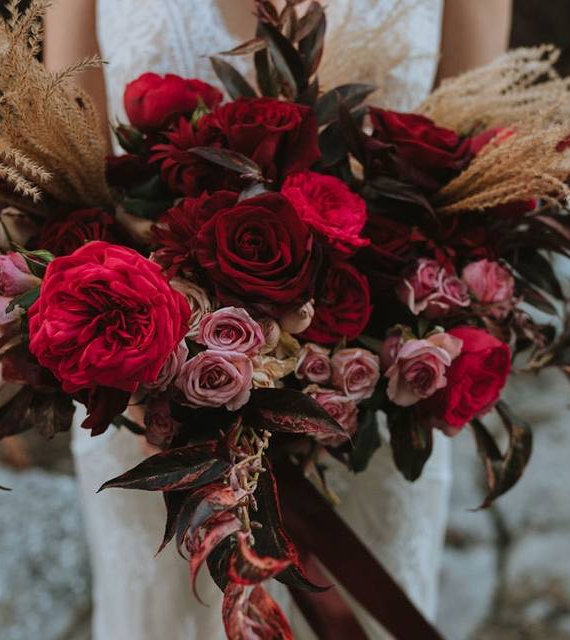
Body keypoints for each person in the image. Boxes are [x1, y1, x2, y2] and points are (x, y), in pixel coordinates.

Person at [44, 1, 512, 638]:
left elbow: (480, 188)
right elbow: (62, 181)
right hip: (148, 414)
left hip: (365, 409)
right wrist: (159, 372)